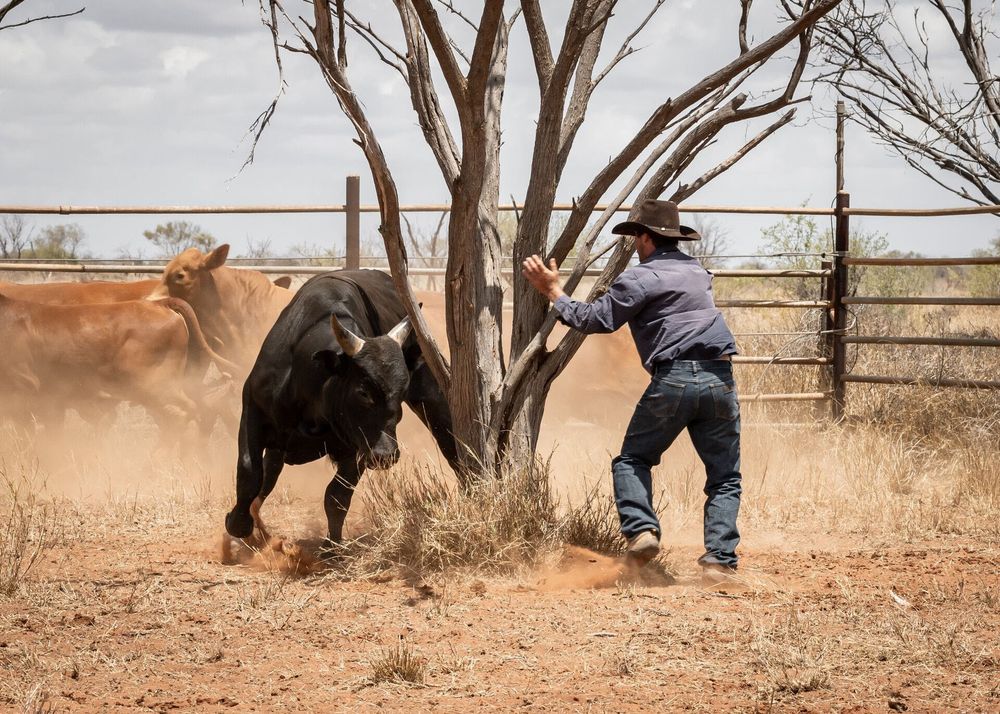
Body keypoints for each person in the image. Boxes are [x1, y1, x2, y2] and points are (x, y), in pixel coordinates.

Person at [521, 199, 742, 582]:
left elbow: (596, 319)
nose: (634, 246)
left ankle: (642, 531)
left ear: (645, 238)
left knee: (632, 461)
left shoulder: (639, 279)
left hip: (674, 377)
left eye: (635, 237)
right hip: (720, 377)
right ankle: (719, 562)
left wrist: (553, 291)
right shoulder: (697, 271)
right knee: (724, 477)